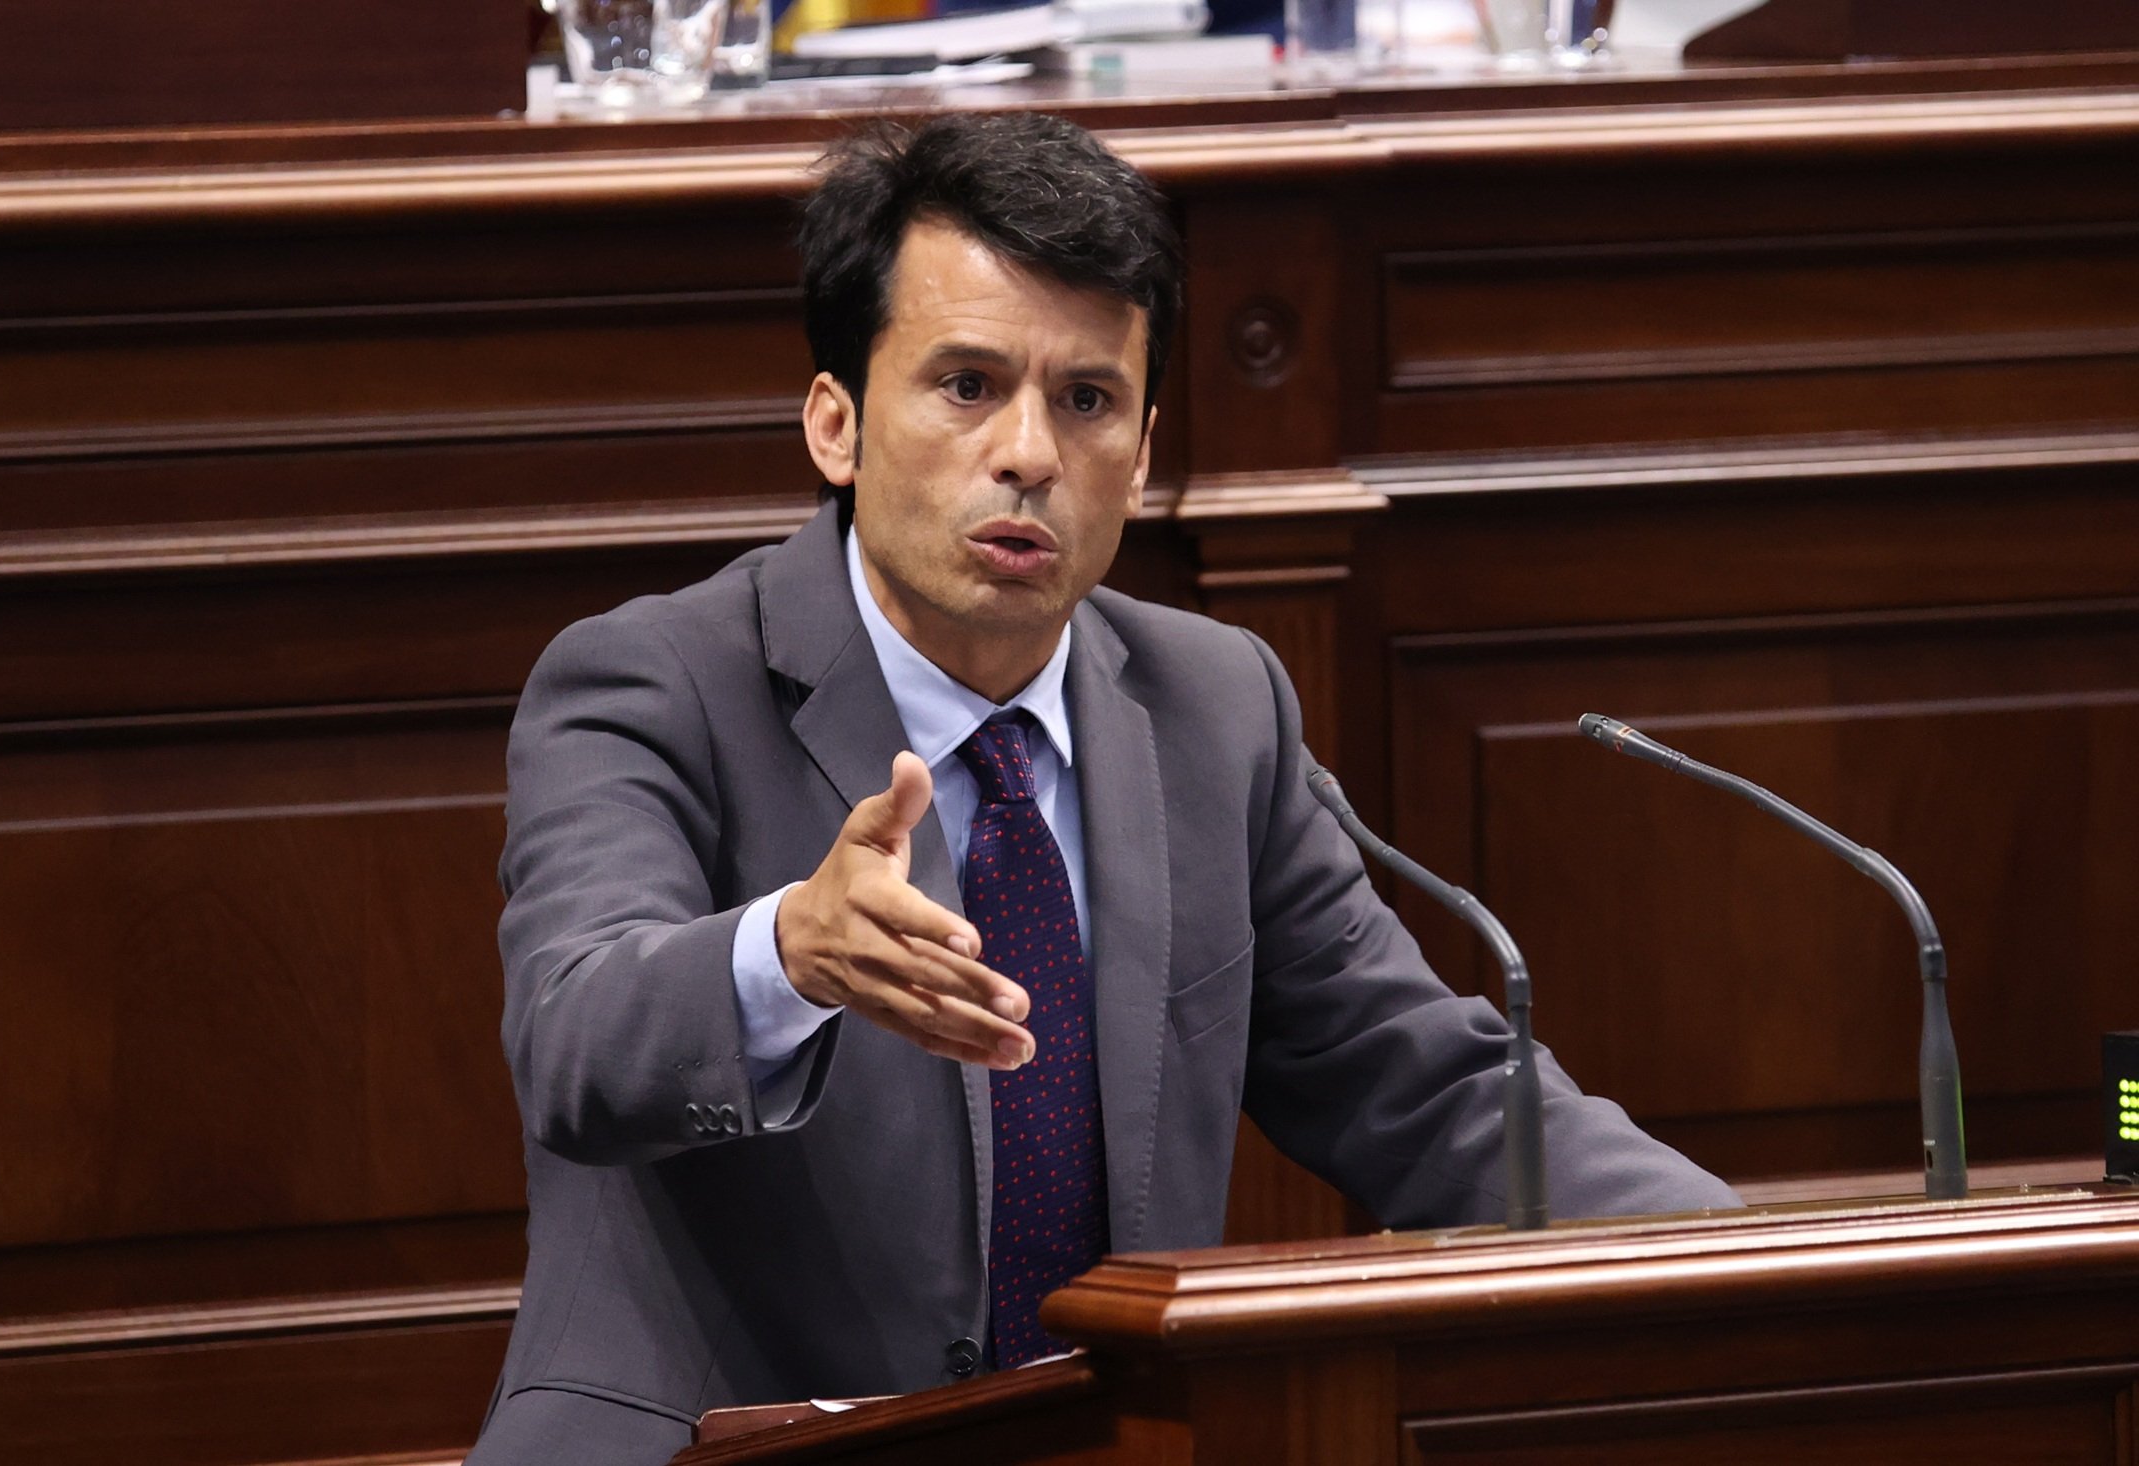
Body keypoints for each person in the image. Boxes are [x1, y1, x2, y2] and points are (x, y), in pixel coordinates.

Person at [471, 111, 1738, 1465]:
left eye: (1086, 400)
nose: (1028, 452)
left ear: (1139, 453)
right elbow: (576, 1036)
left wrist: (1763, 1257)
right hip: (724, 1442)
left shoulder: (1213, 708)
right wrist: (786, 954)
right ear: (835, 423)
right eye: (965, 385)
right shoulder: (648, 682)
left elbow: (1422, 1084)